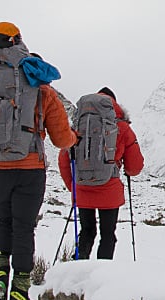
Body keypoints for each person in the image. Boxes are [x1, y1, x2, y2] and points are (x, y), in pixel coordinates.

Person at [0, 22, 77, 300]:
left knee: (5, 222)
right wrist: (74, 139)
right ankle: (19, 291)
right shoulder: (40, 89)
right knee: (24, 228)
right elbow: (62, 138)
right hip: (29, 168)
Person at [58, 87, 144, 260]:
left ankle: (79, 269)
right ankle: (101, 276)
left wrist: (73, 187)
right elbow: (134, 167)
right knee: (108, 235)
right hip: (109, 189)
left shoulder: (78, 126)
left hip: (83, 187)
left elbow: (64, 158)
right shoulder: (122, 127)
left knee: (87, 231)